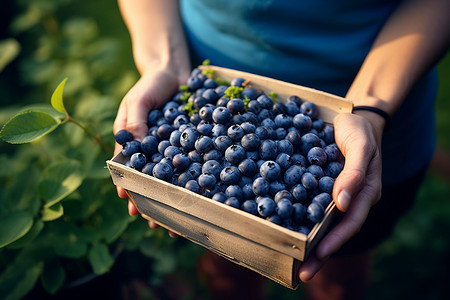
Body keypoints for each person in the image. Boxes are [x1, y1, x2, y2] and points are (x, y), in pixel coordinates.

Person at [113, 0, 450, 299]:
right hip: (199, 73)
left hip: (371, 120)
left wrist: (369, 108)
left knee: (339, 275)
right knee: (225, 266)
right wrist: (165, 64)